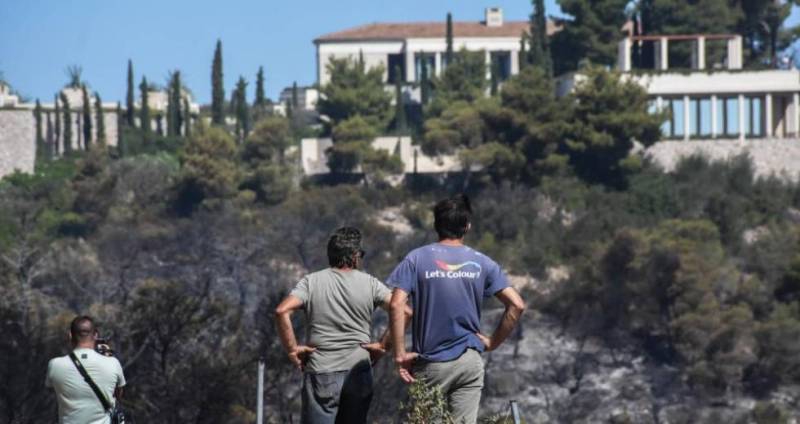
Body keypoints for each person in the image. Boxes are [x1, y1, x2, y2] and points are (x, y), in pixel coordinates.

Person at [388, 194, 526, 423]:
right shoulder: (483, 262)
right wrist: (493, 342)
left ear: (435, 225)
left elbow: (396, 304)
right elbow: (517, 305)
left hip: (432, 362)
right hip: (469, 362)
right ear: (467, 226)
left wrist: (400, 354)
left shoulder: (416, 259)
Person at [275, 227, 410, 424]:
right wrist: (383, 346)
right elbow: (404, 311)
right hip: (359, 369)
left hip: (322, 369)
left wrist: (292, 349)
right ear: (355, 256)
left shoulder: (311, 282)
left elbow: (282, 311)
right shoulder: (371, 284)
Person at [46, 316, 126, 424]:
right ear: (96, 335)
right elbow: (118, 395)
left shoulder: (54, 364)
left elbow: (52, 389)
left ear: (70, 335)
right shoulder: (113, 363)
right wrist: (106, 357)